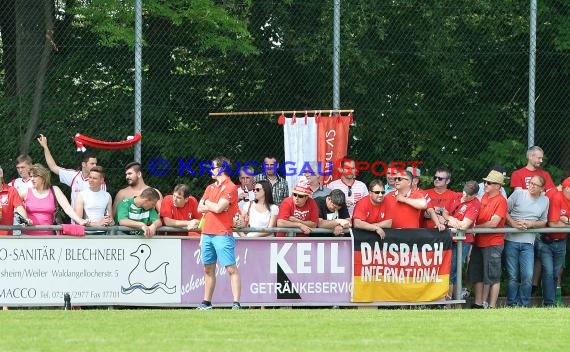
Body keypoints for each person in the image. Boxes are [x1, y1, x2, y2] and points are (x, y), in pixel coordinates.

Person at [196, 156, 241, 310]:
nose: (210, 169)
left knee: (230, 268)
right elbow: (199, 208)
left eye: (213, 167)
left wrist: (207, 204)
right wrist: (211, 205)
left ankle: (236, 303)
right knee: (208, 269)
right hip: (207, 233)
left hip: (222, 233)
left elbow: (216, 208)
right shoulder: (210, 187)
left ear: (221, 169)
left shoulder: (231, 187)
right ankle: (206, 302)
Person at [504, 175, 549, 307]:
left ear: (542, 188)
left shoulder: (545, 200)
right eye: (530, 183)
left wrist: (530, 224)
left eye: (536, 184)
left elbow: (544, 221)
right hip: (511, 240)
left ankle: (523, 304)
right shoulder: (518, 194)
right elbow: (503, 210)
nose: (531, 186)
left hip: (529, 243)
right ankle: (511, 304)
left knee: (528, 275)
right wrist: (513, 224)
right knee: (512, 275)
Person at [468, 170, 507, 309]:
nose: (485, 184)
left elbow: (493, 223)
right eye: (485, 182)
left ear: (498, 186)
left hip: (493, 243)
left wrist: (474, 227)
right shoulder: (483, 197)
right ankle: (478, 303)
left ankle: (492, 306)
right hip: (479, 241)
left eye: (489, 183)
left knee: (493, 275)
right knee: (477, 273)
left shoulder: (501, 201)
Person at [439, 181, 481, 300]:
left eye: (469, 194)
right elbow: (444, 213)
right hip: (449, 238)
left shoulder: (475, 204)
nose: (465, 195)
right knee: (446, 268)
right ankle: (449, 299)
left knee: (453, 270)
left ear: (475, 195)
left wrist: (447, 220)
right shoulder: (456, 196)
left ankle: (449, 302)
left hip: (463, 241)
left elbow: (464, 226)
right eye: (465, 192)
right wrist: (450, 220)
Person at [20, 164, 88, 235]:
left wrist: (80, 221)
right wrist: (24, 218)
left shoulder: (54, 190)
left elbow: (67, 208)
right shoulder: (26, 192)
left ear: (43, 177)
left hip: (49, 236)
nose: (32, 179)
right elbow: (14, 203)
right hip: (28, 236)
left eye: (35, 176)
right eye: (30, 176)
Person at [37, 134, 104, 207]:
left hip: (93, 218)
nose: (95, 166)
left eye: (95, 163)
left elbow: (102, 203)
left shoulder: (99, 181)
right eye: (92, 163)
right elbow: (53, 167)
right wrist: (45, 147)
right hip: (75, 218)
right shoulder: (73, 175)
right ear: (84, 164)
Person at [542, 177, 570, 306]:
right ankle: (549, 303)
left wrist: (566, 221)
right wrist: (562, 222)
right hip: (547, 241)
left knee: (555, 273)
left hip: (561, 241)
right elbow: (553, 223)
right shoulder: (557, 197)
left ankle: (551, 302)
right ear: (567, 189)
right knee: (549, 272)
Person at [74, 166, 114, 234]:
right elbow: (78, 221)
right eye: (90, 177)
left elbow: (111, 220)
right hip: (86, 233)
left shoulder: (107, 196)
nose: (91, 180)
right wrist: (97, 224)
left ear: (101, 180)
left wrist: (110, 221)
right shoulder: (82, 195)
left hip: (103, 233)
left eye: (94, 178)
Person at [0, 166, 29, 236]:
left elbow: (19, 207)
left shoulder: (11, 190)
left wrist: (26, 219)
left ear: (1, 174)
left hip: (6, 238)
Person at [10, 154, 33, 236]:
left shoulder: (37, 181)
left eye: (22, 167)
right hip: (15, 223)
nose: (20, 170)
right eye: (18, 168)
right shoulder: (14, 183)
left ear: (30, 166)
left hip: (33, 223)